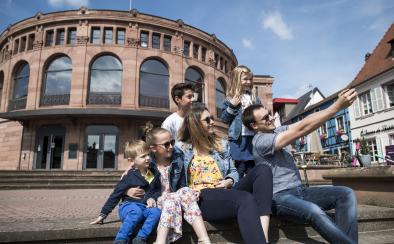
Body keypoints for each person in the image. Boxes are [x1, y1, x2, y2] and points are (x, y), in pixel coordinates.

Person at [242, 88, 359, 244]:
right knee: (314, 211)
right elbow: (302, 130)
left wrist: (333, 107)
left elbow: (305, 121)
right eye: (265, 118)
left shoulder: (276, 130)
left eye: (269, 114)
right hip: (279, 197)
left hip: (300, 191)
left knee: (346, 194)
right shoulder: (260, 142)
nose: (270, 118)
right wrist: (336, 107)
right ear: (254, 126)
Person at [175, 103, 272, 244]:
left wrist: (229, 181)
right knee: (245, 198)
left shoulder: (221, 144)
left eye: (212, 118)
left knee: (263, 169)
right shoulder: (181, 148)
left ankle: (263, 235)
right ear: (195, 124)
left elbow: (233, 171)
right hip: (202, 197)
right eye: (207, 120)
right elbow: (172, 177)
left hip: (225, 190)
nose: (212, 122)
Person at [143, 124, 211, 243]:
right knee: (171, 200)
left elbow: (182, 186)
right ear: (153, 148)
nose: (171, 146)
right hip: (159, 201)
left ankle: (204, 239)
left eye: (172, 142)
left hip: (177, 199)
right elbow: (147, 190)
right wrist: (149, 198)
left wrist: (191, 192)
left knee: (185, 191)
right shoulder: (149, 166)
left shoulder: (178, 160)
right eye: (166, 144)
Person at [90, 140, 162, 244]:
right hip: (128, 207)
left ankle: (141, 238)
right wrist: (103, 214)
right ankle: (121, 239)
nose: (147, 158)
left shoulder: (153, 173)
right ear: (132, 160)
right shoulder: (129, 176)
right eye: (143, 156)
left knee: (156, 212)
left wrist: (152, 198)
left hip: (145, 207)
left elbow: (157, 190)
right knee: (135, 212)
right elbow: (115, 194)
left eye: (148, 155)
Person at [221, 65, 261, 178]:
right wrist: (232, 106)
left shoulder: (254, 98)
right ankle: (236, 193)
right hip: (237, 140)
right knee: (238, 170)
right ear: (237, 80)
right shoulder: (229, 98)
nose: (248, 82)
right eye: (245, 79)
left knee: (252, 171)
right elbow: (224, 119)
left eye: (250, 79)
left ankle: (252, 193)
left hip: (252, 139)